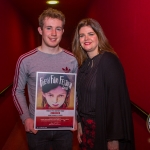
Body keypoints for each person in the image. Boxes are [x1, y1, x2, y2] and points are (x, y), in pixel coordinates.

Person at [12, 8, 78, 150]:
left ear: (63, 31)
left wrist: (75, 116)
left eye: (58, 29)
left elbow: (76, 92)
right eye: (49, 28)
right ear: (40, 30)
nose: (53, 33)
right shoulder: (25, 60)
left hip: (64, 127)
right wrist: (26, 118)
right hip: (36, 128)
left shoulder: (72, 60)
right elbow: (17, 91)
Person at [72, 18, 135, 150]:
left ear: (99, 36)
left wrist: (113, 140)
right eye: (82, 36)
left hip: (102, 130)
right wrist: (79, 123)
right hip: (86, 128)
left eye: (91, 34)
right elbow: (80, 98)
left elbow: (115, 104)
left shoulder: (109, 61)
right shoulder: (84, 64)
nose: (86, 38)